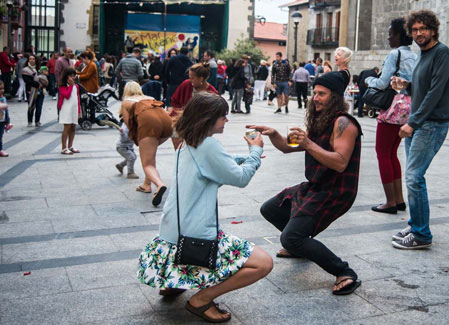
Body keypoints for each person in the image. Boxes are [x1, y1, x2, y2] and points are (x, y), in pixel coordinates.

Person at [137, 92, 272, 323]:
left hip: (173, 229)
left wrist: (241, 158)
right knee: (263, 263)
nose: (227, 121)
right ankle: (201, 300)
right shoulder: (208, 145)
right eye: (223, 117)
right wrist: (255, 151)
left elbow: (213, 163)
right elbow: (241, 179)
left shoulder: (186, 141)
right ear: (208, 119)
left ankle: (174, 283)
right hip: (196, 232)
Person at [247, 72, 363, 296]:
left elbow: (340, 163)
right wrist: (274, 134)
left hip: (336, 190)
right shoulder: (320, 120)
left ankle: (344, 271)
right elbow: (287, 147)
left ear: (335, 98)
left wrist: (308, 143)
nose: (315, 98)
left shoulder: (344, 123)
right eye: (314, 93)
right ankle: (299, 246)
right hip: (316, 185)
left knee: (290, 237)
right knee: (270, 209)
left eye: (322, 94)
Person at [390, 10, 449, 250]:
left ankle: (421, 234)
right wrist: (406, 86)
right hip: (419, 122)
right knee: (412, 177)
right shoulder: (422, 54)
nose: (418, 33)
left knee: (415, 177)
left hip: (431, 124)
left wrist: (412, 122)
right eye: (415, 30)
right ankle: (416, 223)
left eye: (423, 29)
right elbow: (422, 87)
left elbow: (435, 93)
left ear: (433, 30)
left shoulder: (442, 53)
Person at [364, 17, 417, 214]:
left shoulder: (395, 54)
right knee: (392, 153)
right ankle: (399, 199)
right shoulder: (413, 55)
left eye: (390, 33)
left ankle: (390, 202)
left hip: (392, 108)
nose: (388, 37)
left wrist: (367, 79)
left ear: (398, 35)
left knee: (382, 153)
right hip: (407, 107)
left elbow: (383, 82)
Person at [121, 81, 173, 207]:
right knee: (150, 155)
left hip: (149, 124)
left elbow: (129, 125)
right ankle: (146, 184)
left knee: (147, 163)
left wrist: (136, 138)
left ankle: (159, 184)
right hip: (167, 122)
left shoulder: (126, 102)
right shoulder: (148, 98)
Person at [58, 67, 81, 155]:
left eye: (73, 76)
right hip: (66, 108)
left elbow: (77, 99)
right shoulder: (62, 86)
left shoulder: (76, 86)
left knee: (73, 127)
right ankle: (64, 147)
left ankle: (70, 145)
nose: (72, 78)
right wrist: (71, 85)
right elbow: (66, 95)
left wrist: (79, 111)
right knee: (66, 128)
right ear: (66, 77)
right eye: (70, 76)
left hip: (74, 108)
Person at [0, 81, 11, 157]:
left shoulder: (3, 98)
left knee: (0, 136)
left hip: (2, 120)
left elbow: (6, 111)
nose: (2, 90)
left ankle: (0, 149)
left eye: (2, 88)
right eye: (0, 89)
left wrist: (7, 121)